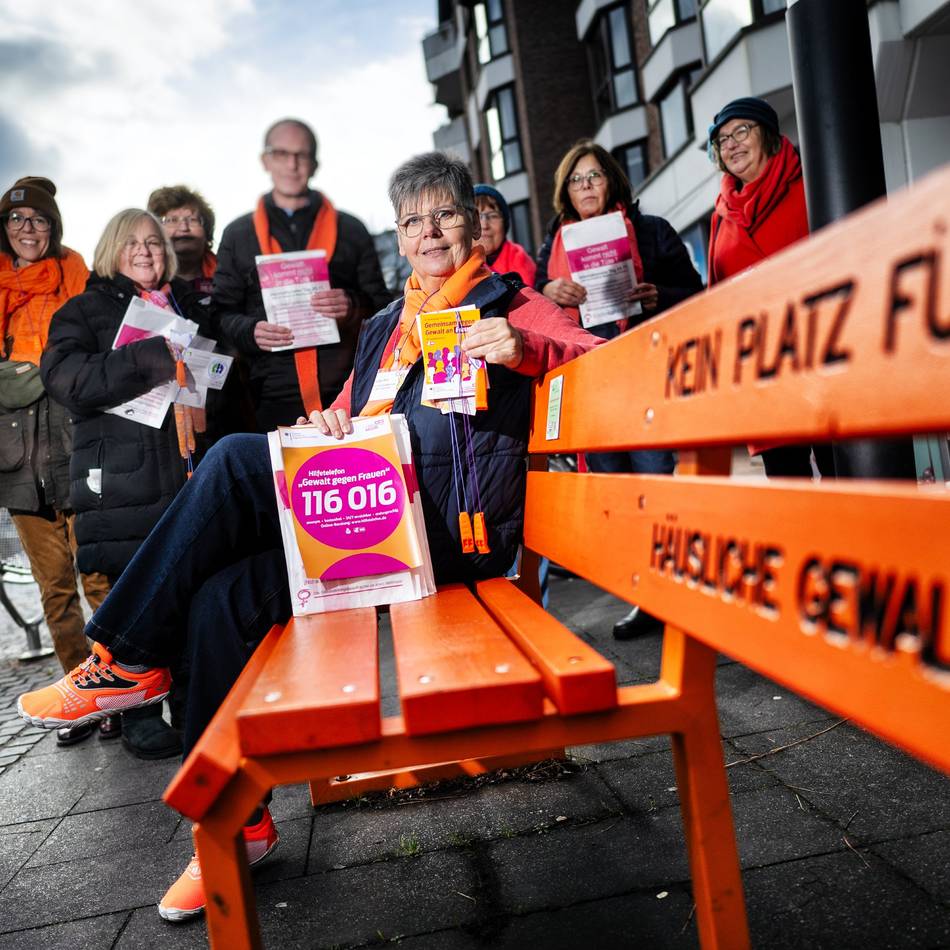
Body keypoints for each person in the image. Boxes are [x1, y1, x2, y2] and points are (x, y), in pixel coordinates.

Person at [18, 150, 601, 923]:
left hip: (451, 540)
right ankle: (235, 824)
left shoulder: (511, 302)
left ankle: (123, 656)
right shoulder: (392, 323)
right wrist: (330, 423)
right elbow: (357, 418)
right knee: (218, 603)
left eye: (446, 215)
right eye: (413, 220)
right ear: (399, 235)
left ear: (475, 225)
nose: (430, 233)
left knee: (229, 463)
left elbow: (598, 363)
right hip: (364, 522)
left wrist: (528, 350)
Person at [39, 208, 218, 760]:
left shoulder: (185, 304)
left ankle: (193, 711)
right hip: (122, 481)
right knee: (131, 603)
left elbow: (211, 379)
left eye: (155, 244)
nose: (146, 252)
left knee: (191, 602)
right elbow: (65, 379)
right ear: (111, 249)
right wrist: (149, 356)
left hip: (186, 468)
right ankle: (136, 715)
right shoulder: (83, 311)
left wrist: (211, 374)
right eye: (133, 243)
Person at [536, 140, 703, 640]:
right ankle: (646, 600)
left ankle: (680, 593)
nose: (585, 186)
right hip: (594, 388)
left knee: (657, 487)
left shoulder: (651, 233)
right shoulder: (553, 246)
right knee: (619, 497)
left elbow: (694, 295)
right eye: (576, 179)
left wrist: (659, 296)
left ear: (613, 181)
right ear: (565, 191)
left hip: (646, 380)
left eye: (594, 176)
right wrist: (548, 293)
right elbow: (537, 316)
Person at [0, 176, 113, 745]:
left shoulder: (78, 277)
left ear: (54, 227)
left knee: (97, 576)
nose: (27, 229)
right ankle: (75, 693)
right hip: (16, 464)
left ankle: (114, 688)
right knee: (54, 588)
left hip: (75, 446)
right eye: (17, 220)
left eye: (39, 220)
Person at [214, 118, 392, 431]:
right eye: (282, 153)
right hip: (269, 397)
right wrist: (250, 330)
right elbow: (221, 314)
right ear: (265, 160)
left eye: (302, 155)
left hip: (345, 396)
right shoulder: (238, 235)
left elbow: (383, 308)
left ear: (315, 164)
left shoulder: (351, 230)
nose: (292, 165)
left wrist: (351, 307)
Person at [706, 96, 833, 479]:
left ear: (769, 135)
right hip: (764, 366)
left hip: (824, 352)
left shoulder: (809, 185)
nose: (731, 144)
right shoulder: (721, 215)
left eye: (742, 131)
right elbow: (718, 295)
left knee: (844, 474)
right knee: (786, 483)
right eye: (722, 140)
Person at [147, 185, 217, 294]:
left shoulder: (230, 275)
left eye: (193, 220)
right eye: (172, 220)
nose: (184, 228)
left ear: (207, 231)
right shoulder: (139, 280)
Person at [473, 183, 536, 286]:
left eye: (493, 216)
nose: (484, 225)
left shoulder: (521, 260)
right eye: (477, 217)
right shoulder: (453, 263)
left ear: (504, 224)